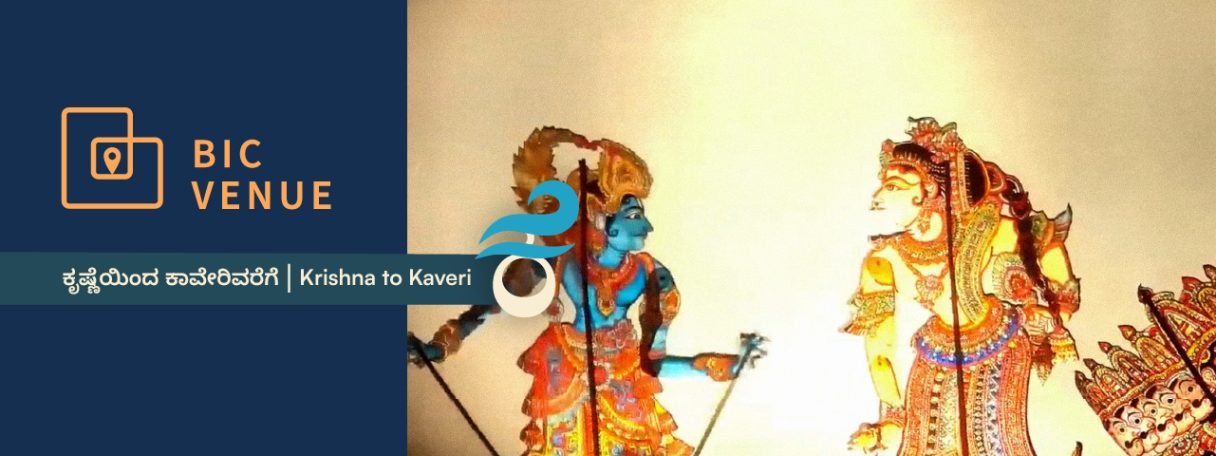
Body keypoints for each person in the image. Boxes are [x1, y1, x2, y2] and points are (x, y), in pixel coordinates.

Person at [410, 127, 766, 456]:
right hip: (565, 373)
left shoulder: (652, 276)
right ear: (600, 218)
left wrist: (723, 366)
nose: (647, 226)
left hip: (626, 380)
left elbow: (653, 364)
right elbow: (493, 304)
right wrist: (439, 346)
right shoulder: (561, 261)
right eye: (633, 216)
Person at [844, 118, 1080, 455]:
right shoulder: (883, 261)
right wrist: (892, 418)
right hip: (934, 357)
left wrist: (1058, 315)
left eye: (894, 187)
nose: (878, 198)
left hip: (1001, 345)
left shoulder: (981, 228)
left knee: (997, 442)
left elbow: (1045, 241)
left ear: (927, 191)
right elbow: (879, 350)